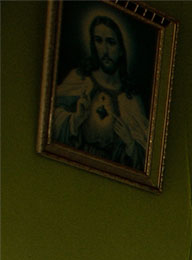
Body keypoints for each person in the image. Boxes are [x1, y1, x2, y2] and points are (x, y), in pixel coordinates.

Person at [51, 12, 150, 169]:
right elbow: (49, 123)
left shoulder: (131, 99)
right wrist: (75, 119)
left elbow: (146, 162)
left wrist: (130, 142)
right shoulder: (79, 79)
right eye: (99, 41)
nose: (104, 50)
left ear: (121, 49)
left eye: (111, 42)